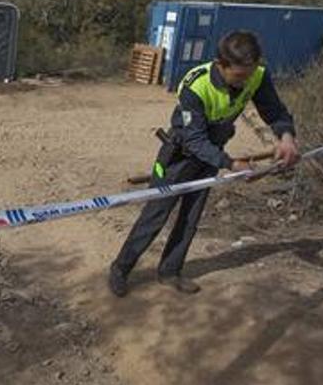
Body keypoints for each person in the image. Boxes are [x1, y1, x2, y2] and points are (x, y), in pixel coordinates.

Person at [109, 30, 300, 297]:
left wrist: (286, 137)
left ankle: (170, 271)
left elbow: (275, 111)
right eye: (238, 76)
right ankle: (120, 269)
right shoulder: (195, 85)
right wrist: (231, 164)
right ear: (220, 65)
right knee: (155, 215)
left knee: (190, 218)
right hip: (179, 157)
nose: (244, 83)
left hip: (212, 156)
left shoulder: (256, 74)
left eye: (249, 74)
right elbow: (195, 140)